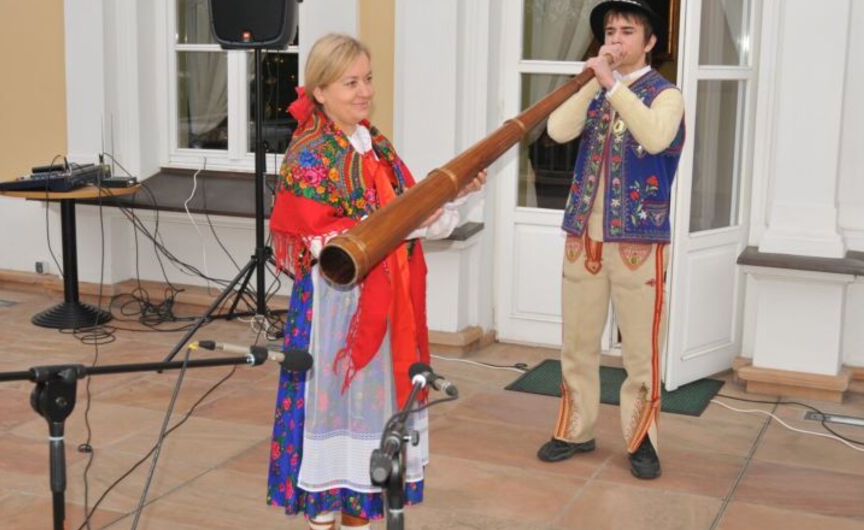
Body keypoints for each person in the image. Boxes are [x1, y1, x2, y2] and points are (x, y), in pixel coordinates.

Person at [266, 33, 485, 529]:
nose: (364, 91)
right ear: (319, 91)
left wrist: (454, 195)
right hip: (335, 310)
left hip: (386, 304)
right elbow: (322, 242)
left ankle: (358, 519)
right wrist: (381, 227)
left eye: (367, 79)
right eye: (350, 82)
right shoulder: (308, 155)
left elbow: (411, 218)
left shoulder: (374, 143)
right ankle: (323, 518)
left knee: (369, 426)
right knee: (331, 415)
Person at [536, 0, 685, 480]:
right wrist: (589, 82)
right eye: (610, 31)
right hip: (584, 234)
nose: (616, 39)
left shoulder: (666, 95)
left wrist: (611, 84)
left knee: (641, 351)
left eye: (627, 31)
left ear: (650, 42)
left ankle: (641, 440)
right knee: (577, 342)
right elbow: (557, 130)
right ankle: (574, 431)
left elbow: (657, 137)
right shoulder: (598, 90)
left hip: (639, 241)